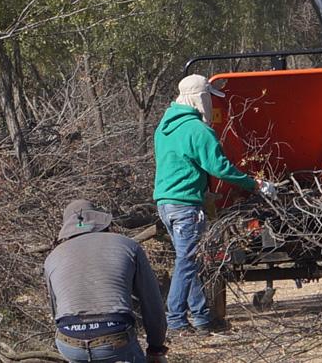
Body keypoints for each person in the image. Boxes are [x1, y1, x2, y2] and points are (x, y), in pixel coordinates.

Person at [153, 74, 276, 334]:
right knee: (186, 263)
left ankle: (200, 318)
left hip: (165, 203)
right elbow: (220, 168)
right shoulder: (198, 130)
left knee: (189, 261)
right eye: (208, 97)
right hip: (186, 206)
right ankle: (174, 319)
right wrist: (255, 184)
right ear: (199, 98)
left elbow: (180, 165)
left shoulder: (163, 128)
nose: (209, 103)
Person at [44, 199, 168, 363]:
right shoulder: (128, 246)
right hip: (115, 340)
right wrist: (156, 349)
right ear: (99, 221)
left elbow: (56, 312)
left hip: (69, 341)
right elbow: (152, 304)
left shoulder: (52, 257)